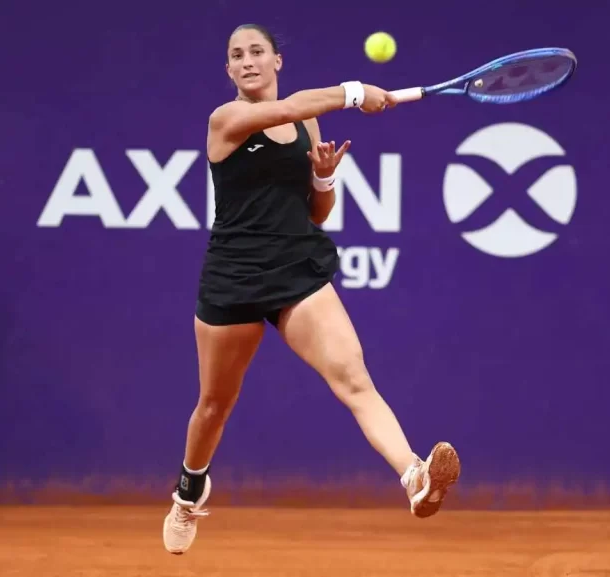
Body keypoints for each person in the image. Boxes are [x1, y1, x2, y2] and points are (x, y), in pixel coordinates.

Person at [162, 23, 461, 555]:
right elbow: (284, 111)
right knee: (214, 404)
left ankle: (413, 476)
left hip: (296, 267)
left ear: (277, 61)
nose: (248, 61)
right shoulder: (226, 119)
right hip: (233, 275)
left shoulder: (308, 122)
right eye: (237, 55)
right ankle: (189, 492)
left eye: (257, 52)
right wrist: (354, 92)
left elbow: (316, 212)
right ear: (228, 71)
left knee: (353, 379)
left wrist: (322, 179)